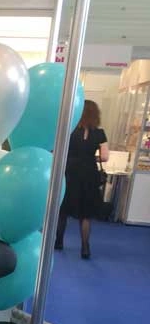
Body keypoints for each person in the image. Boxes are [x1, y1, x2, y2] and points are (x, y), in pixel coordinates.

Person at [56, 100, 110, 259]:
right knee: (85, 214)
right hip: (89, 174)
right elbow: (105, 157)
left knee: (63, 210)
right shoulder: (100, 133)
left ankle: (58, 242)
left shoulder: (69, 130)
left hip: (70, 172)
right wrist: (90, 157)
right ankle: (85, 248)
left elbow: (59, 151)